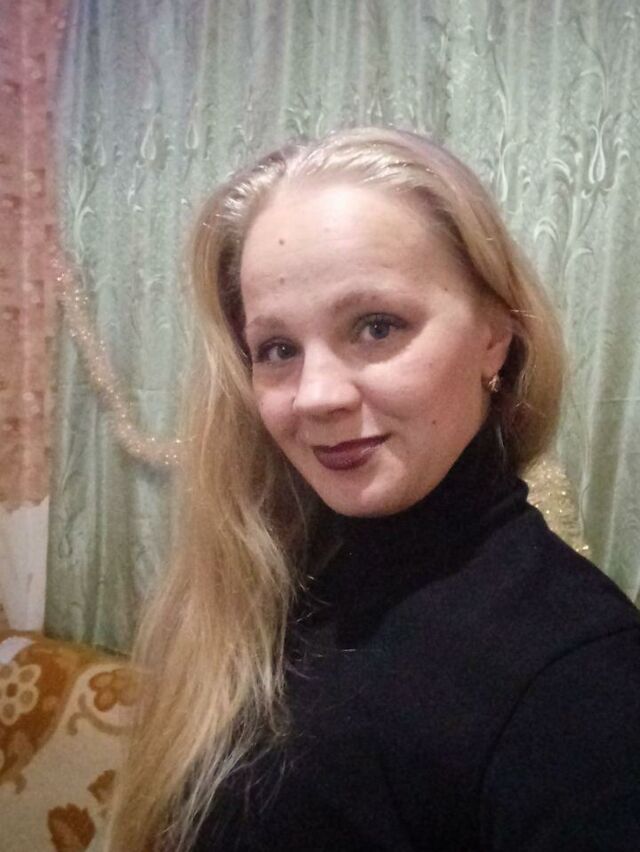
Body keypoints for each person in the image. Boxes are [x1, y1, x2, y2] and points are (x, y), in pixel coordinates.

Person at [105, 127, 640, 852]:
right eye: (278, 349)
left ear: (495, 334)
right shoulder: (272, 578)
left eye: (377, 327)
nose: (316, 396)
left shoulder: (577, 675)